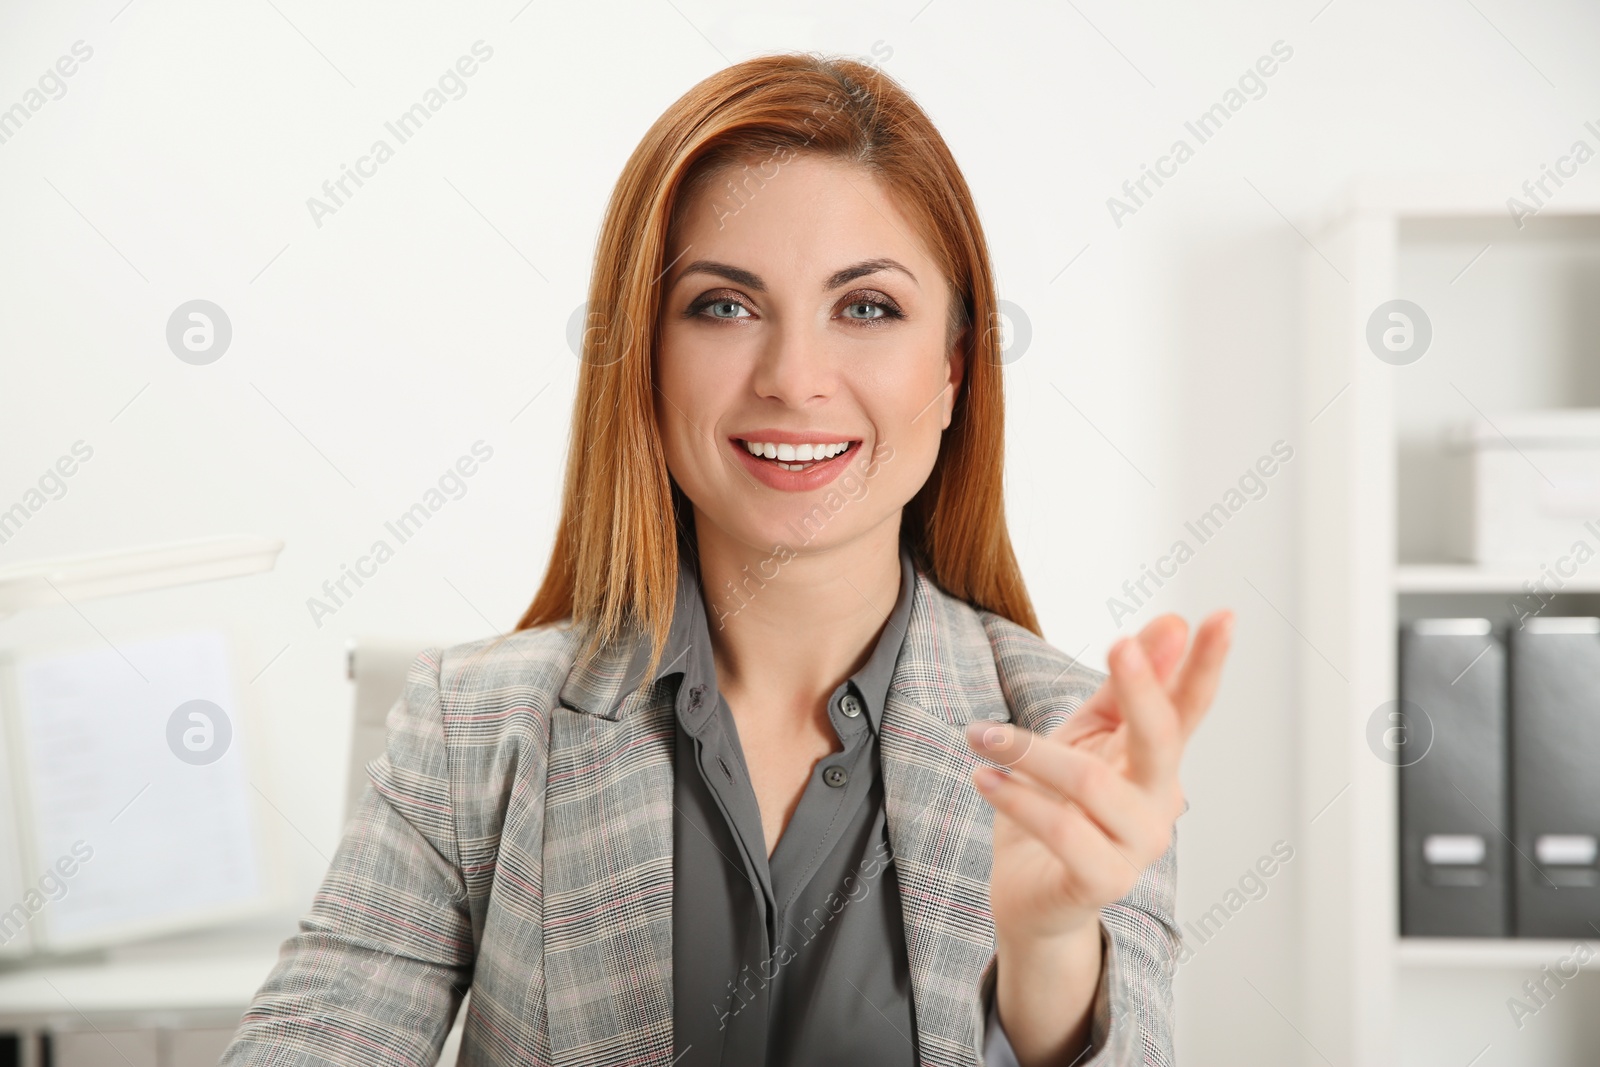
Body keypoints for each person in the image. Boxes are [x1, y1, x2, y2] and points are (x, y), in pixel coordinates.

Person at [223, 51, 1231, 1067]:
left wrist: (1049, 945)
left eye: (867, 307)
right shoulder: (471, 727)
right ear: (644, 359)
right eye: (723, 305)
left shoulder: (1072, 742)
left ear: (954, 369)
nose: (794, 379)